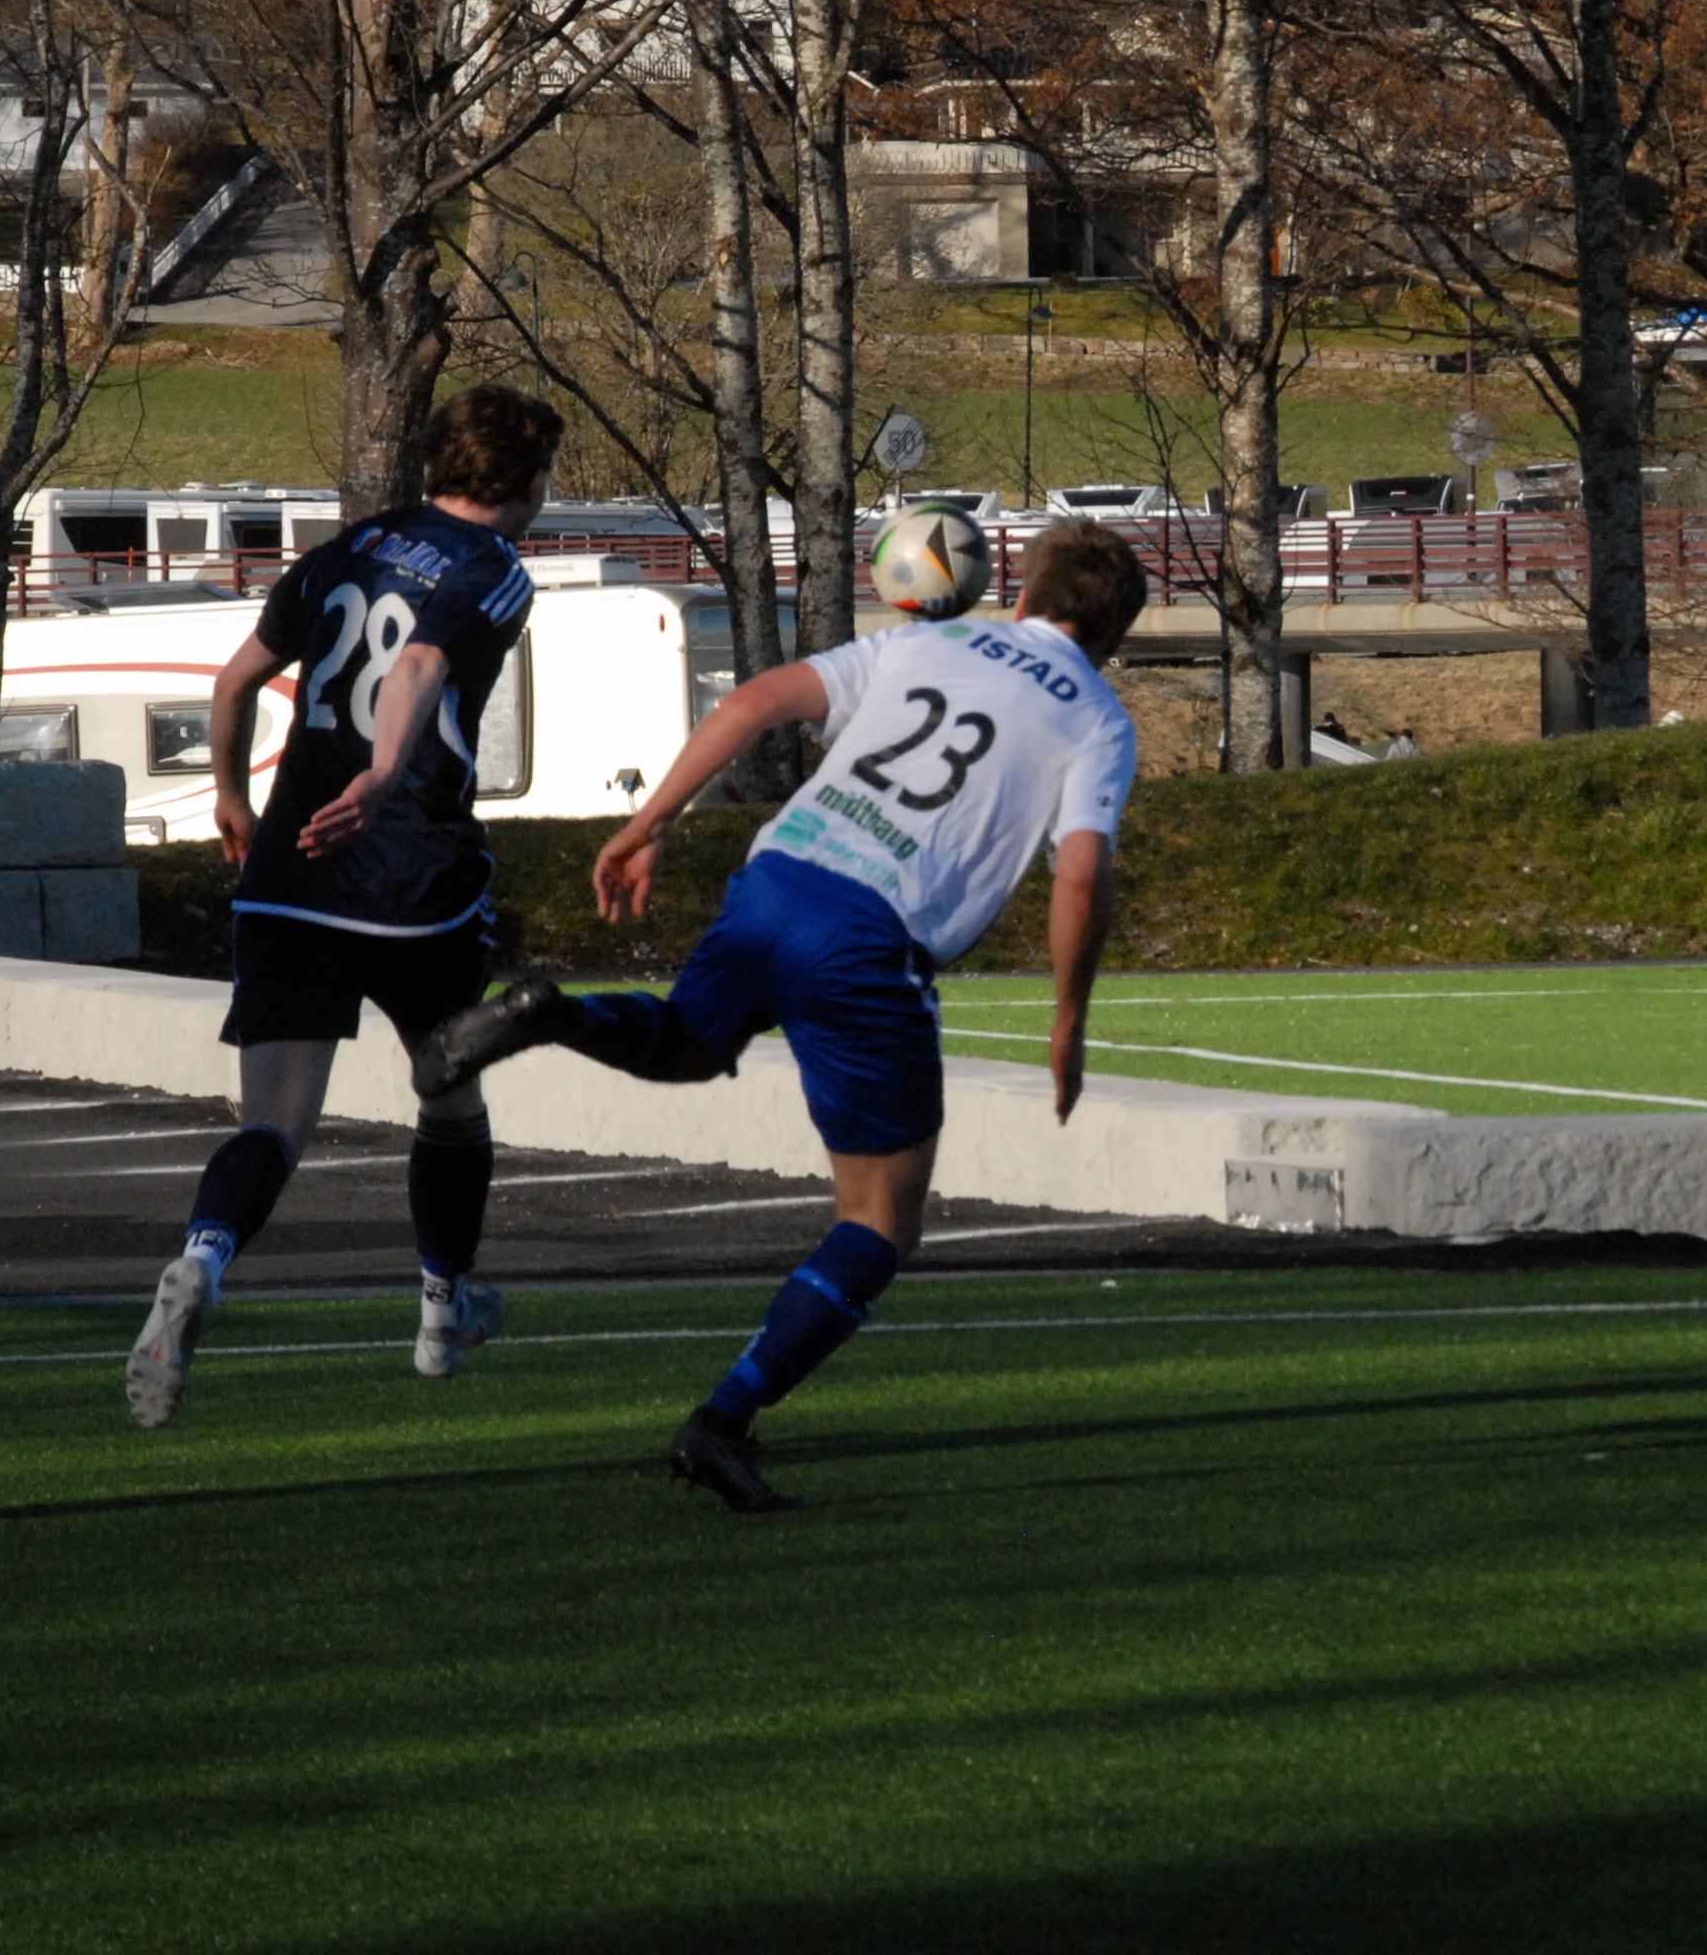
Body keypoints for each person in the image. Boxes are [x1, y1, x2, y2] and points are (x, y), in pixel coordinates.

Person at [415, 520, 1149, 1512]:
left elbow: (754, 702)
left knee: (686, 1042)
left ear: (1021, 594)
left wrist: (649, 822)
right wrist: (1068, 1018)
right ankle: (722, 1421)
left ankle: (550, 1016)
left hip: (781, 871)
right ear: (1112, 637)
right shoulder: (1098, 720)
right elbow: (1081, 873)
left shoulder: (928, 640)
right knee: (879, 1221)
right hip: (869, 939)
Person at [122, 385, 565, 1429]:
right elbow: (418, 664)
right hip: (414, 886)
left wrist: (229, 797)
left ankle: (202, 1260)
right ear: (525, 480)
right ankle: (442, 1311)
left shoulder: (347, 547)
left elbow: (234, 682)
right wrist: (381, 776)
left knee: (272, 1127)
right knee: (448, 1097)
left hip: (290, 879)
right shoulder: (496, 568)